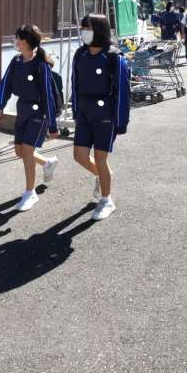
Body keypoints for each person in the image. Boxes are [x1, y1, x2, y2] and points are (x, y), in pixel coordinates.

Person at [71, 13, 131, 221]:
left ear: (99, 30)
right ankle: (103, 176)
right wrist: (76, 111)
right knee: (79, 155)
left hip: (105, 113)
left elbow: (123, 92)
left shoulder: (114, 57)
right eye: (82, 28)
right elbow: (75, 84)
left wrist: (121, 121)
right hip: (84, 111)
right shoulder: (80, 54)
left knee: (100, 158)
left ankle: (106, 200)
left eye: (87, 28)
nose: (83, 32)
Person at [0, 24, 59, 212]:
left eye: (17, 38)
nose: (14, 40)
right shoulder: (16, 61)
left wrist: (52, 125)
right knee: (20, 151)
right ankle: (47, 163)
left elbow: (48, 95)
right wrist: (0, 106)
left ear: (25, 42)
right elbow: (5, 84)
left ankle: (30, 193)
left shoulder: (41, 65)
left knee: (27, 153)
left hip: (38, 113)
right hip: (22, 109)